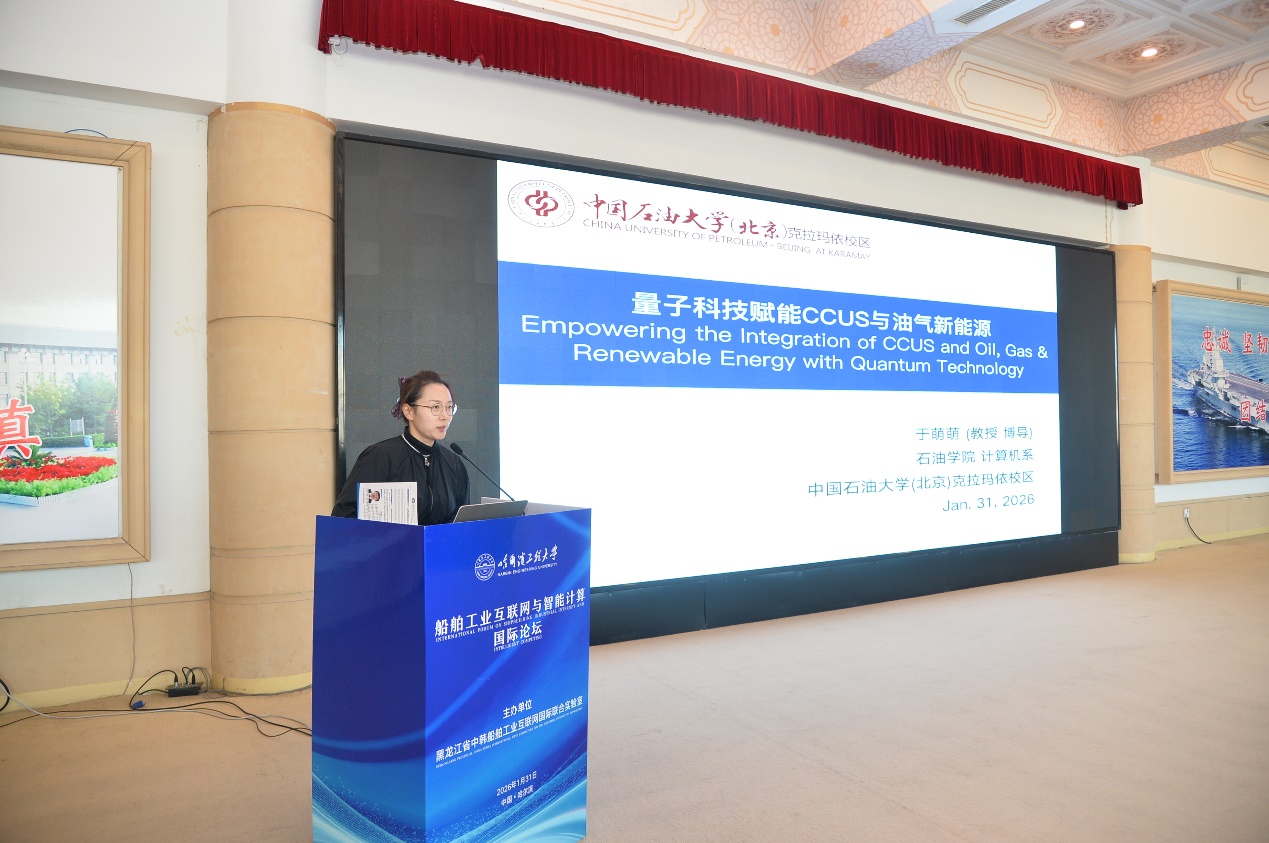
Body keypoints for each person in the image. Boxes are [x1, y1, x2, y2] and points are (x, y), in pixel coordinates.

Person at [332, 369, 470, 525]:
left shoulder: (453, 463)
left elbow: (462, 522)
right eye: (435, 407)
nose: (445, 416)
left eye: (449, 407)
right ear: (409, 411)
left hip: (440, 542)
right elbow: (344, 517)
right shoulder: (380, 457)